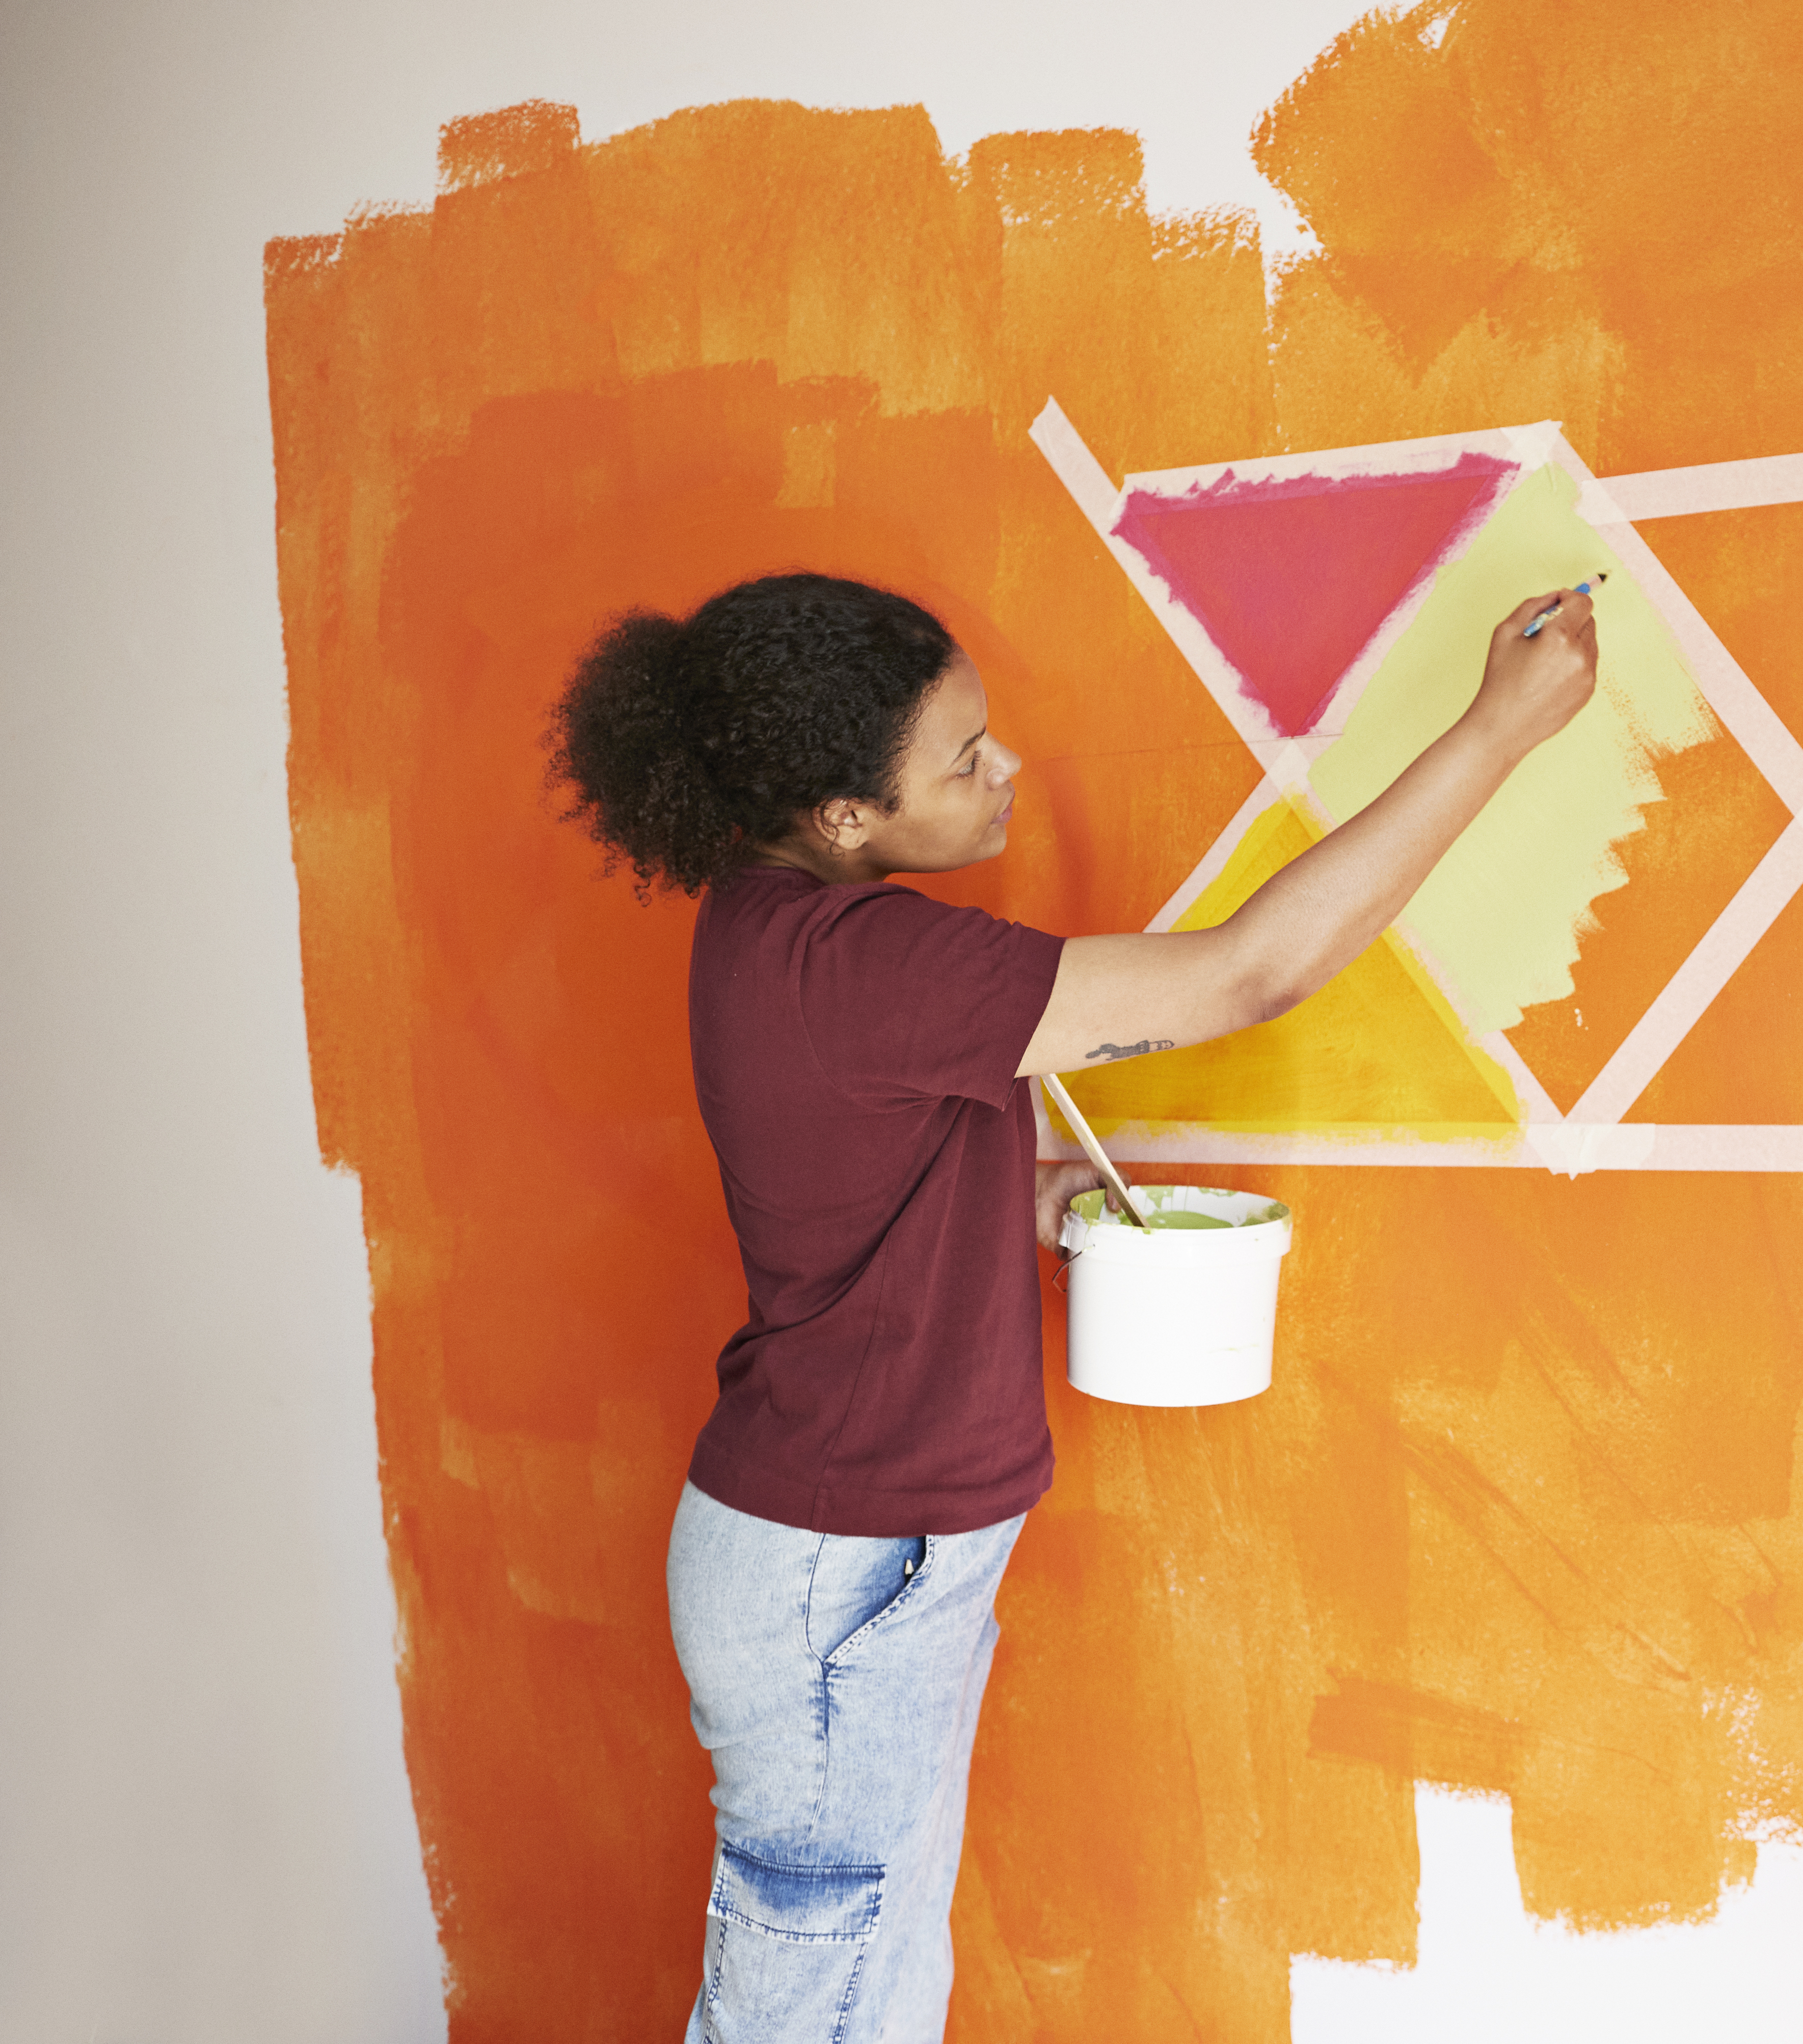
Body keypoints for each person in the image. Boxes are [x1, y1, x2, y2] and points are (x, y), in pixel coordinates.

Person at [546, 570, 1598, 2043]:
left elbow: (861, 1183)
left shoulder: (774, 930)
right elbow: (1249, 974)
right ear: (843, 814)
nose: (1004, 772)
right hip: (842, 1573)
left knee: (860, 1982)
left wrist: (1033, 1212)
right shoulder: (873, 966)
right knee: (821, 2001)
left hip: (836, 1551)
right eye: (960, 759)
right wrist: (1498, 732)